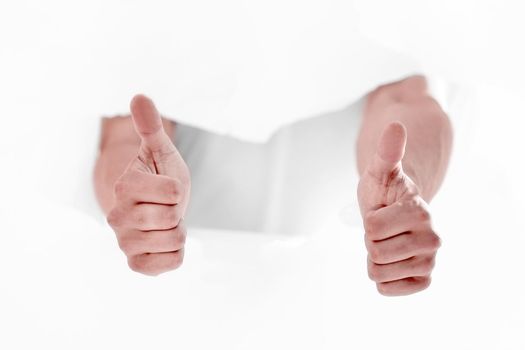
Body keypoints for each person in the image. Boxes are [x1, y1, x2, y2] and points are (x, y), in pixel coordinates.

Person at [93, 75, 452, 296]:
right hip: (172, 283)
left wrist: (406, 189)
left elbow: (407, 97)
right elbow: (128, 131)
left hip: (333, 280)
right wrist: (139, 203)